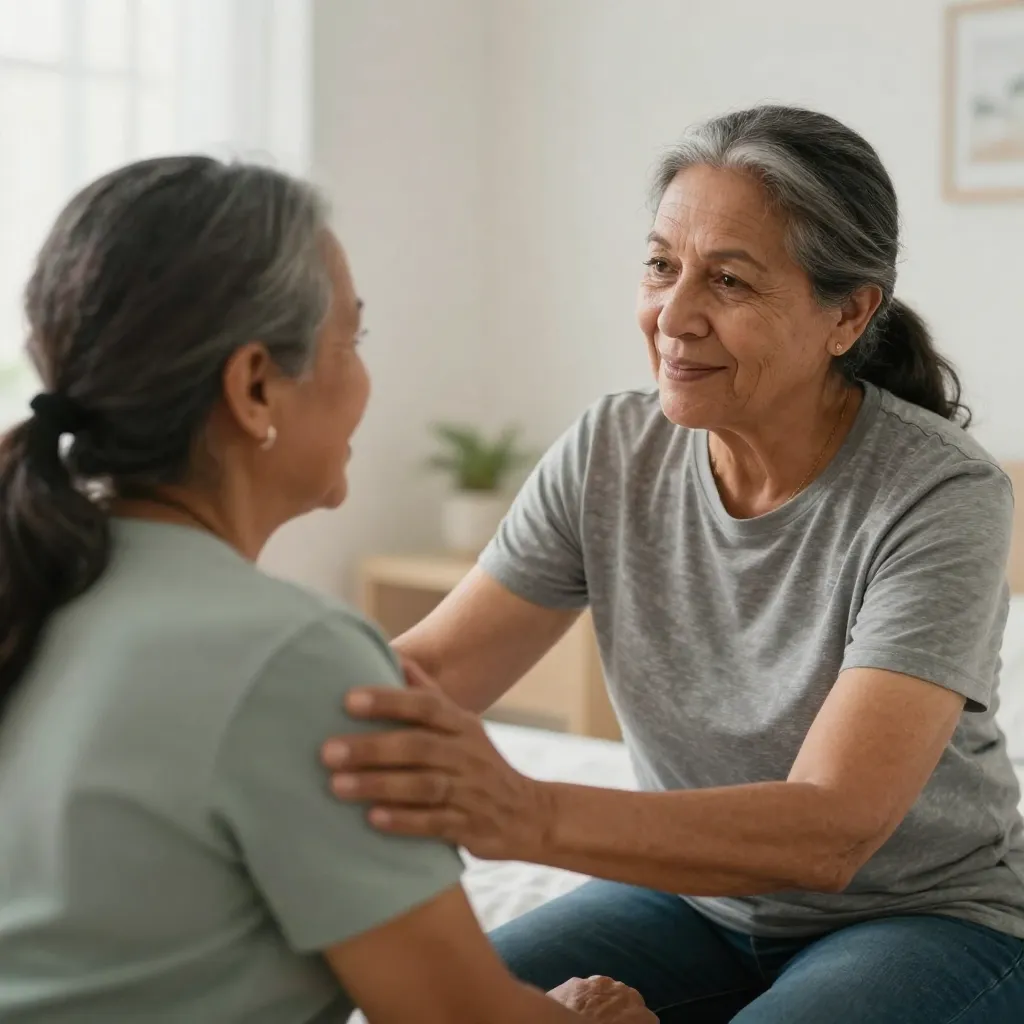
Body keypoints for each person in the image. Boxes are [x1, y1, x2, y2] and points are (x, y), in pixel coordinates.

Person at [321, 106, 1024, 1023]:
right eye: (662, 266)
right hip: (695, 899)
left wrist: (523, 814)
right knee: (429, 1009)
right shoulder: (612, 447)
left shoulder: (941, 492)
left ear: (848, 314)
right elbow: (438, 672)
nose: (674, 316)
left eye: (728, 280)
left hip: (924, 916)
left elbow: (832, 829)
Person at [0, 157, 657, 1024]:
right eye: (352, 341)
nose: (363, 379)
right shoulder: (296, 657)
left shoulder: (38, 587)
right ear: (255, 385)